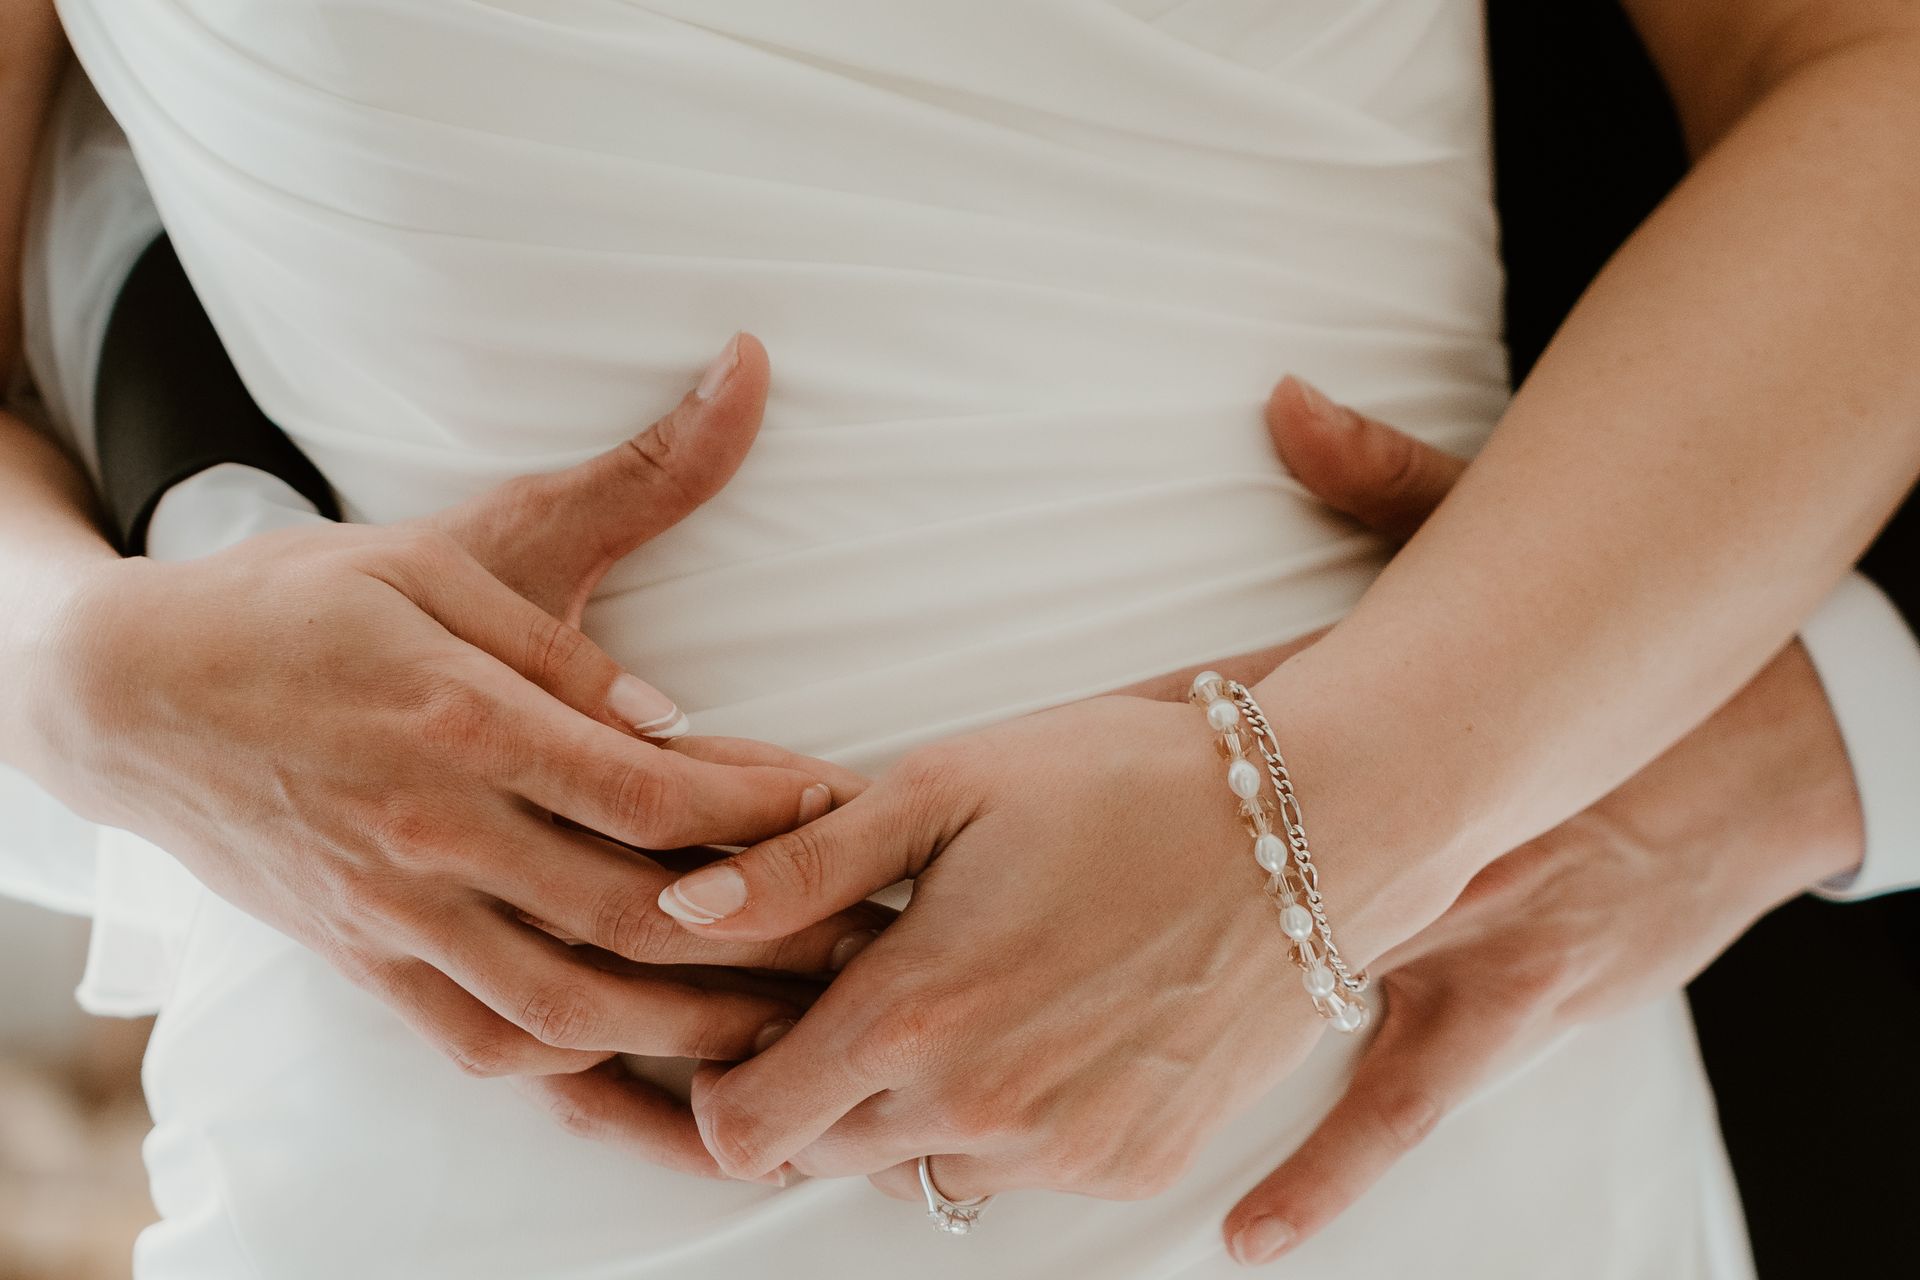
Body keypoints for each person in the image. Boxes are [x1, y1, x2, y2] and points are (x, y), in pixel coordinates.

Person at [5, 1, 1920, 1275]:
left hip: (1388, 1092)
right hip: (482, 1123)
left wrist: (1340, 816)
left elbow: (1866, 82)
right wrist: (85, 672)